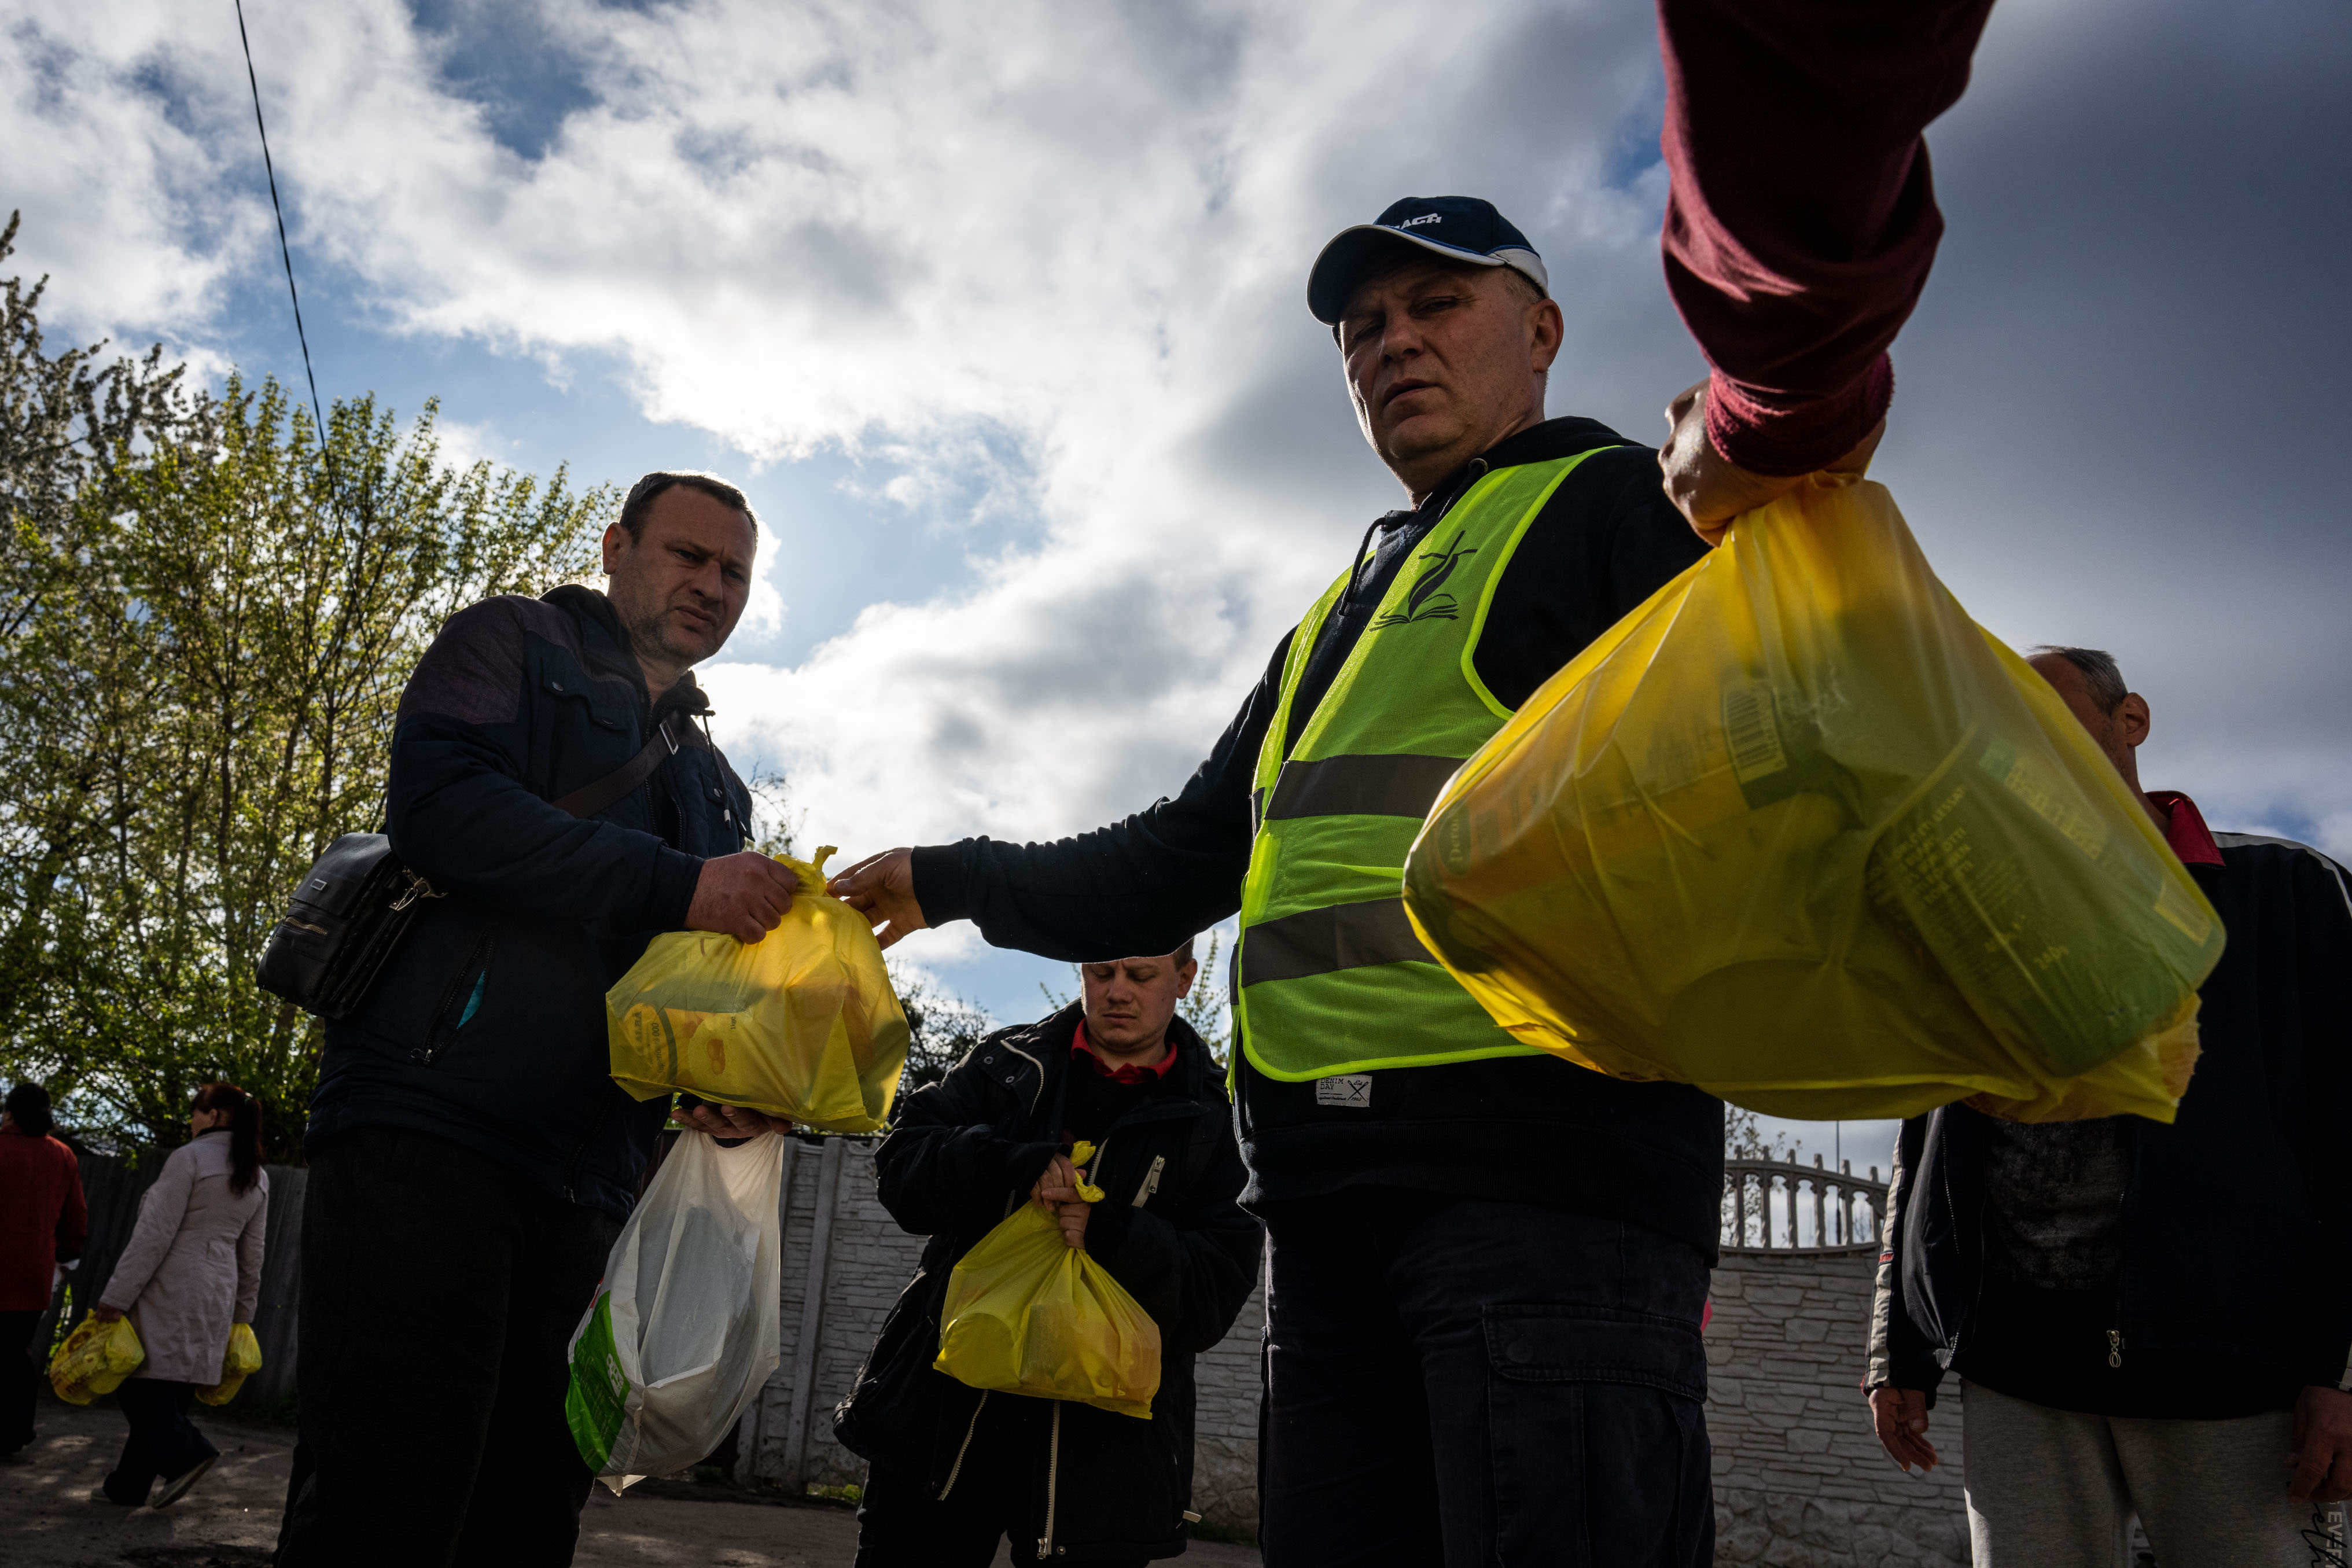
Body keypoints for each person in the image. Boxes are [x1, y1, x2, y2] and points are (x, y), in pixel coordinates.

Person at [831, 196, 1725, 1563]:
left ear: (1539, 331)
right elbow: (1181, 857)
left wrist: (1743, 498)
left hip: (1540, 1194)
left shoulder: (1615, 504)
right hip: (1327, 1208)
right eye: (1363, 327)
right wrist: (948, 875)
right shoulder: (1342, 606)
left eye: (1436, 308)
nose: (1391, 346)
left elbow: (1756, 732)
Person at [275, 471, 801, 1568]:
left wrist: (729, 1087)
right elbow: (445, 813)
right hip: (430, 1129)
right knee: (388, 1503)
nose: (711, 584)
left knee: (528, 1517)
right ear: (616, 546)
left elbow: (689, 983)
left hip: (596, 1187)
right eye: (687, 555)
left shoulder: (719, 788)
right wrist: (680, 883)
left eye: (735, 572)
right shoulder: (508, 644)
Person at [1863, 646, 2352, 1565]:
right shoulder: (1966, 917)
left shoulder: (2289, 895)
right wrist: (1899, 1352)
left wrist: (2343, 1369)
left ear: (2130, 721)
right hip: (2018, 1375)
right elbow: (1922, 1139)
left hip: (2234, 1376)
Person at [835, 940, 1258, 1565]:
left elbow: (1213, 1295)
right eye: (1101, 971)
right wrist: (1005, 1164)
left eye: (1141, 974)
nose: (1118, 990)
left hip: (1106, 1464)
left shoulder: (1215, 1121)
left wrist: (1110, 1230)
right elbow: (900, 1169)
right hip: (943, 1428)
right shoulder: (1005, 1065)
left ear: (1186, 977)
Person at [1650, 0, 1999, 534]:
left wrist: (1767, 414)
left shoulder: (1614, 503)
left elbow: (1804, 55)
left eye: (1468, 298)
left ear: (1542, 332)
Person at [90, 1082, 270, 1508]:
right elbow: (253, 1252)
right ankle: (129, 1486)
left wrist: (116, 1296)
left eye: (195, 1111)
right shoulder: (256, 1173)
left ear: (213, 1115)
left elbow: (154, 1235)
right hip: (218, 1290)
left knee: (135, 1382)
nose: (191, 1120)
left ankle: (190, 1455)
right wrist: (243, 1311)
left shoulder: (189, 1158)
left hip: (171, 1283)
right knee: (172, 1388)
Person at [1, 1080, 87, 1459]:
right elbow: (75, 1216)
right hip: (32, 1274)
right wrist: (67, 1256)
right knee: (15, 1352)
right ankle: (13, 1431)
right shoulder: (62, 1156)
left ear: (9, 1113)